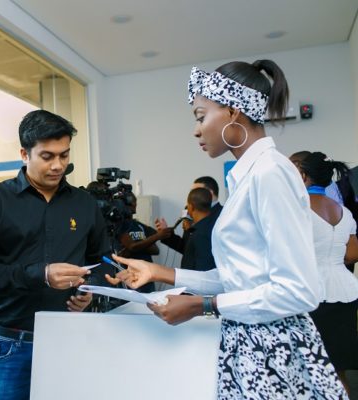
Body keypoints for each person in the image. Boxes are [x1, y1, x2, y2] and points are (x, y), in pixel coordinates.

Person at [107, 60, 348, 398]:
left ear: (234, 112)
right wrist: (158, 271)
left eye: (200, 116)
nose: (196, 130)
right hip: (250, 344)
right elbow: (241, 277)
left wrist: (200, 305)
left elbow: (298, 290)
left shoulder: (269, 174)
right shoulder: (249, 176)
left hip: (272, 352)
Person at [0, 109, 110, 400]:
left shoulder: (84, 203)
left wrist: (90, 287)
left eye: (64, 155)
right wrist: (41, 274)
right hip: (8, 345)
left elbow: (105, 260)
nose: (58, 165)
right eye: (47, 156)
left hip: (68, 338)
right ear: (24, 154)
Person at [292, 151, 358, 394]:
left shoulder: (296, 210)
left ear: (303, 174)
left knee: (308, 370)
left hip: (312, 294)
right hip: (346, 292)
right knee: (338, 371)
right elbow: (352, 255)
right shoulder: (345, 212)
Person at [155, 176, 222, 269]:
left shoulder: (223, 215)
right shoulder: (191, 216)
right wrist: (167, 235)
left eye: (196, 191)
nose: (192, 195)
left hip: (208, 274)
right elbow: (187, 248)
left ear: (209, 194)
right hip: (188, 275)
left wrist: (196, 227)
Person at [116, 192, 160, 292]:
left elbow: (156, 250)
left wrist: (139, 244)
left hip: (147, 274)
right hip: (130, 276)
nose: (134, 205)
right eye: (132, 202)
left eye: (135, 202)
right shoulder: (120, 226)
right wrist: (145, 243)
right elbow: (132, 247)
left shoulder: (139, 225)